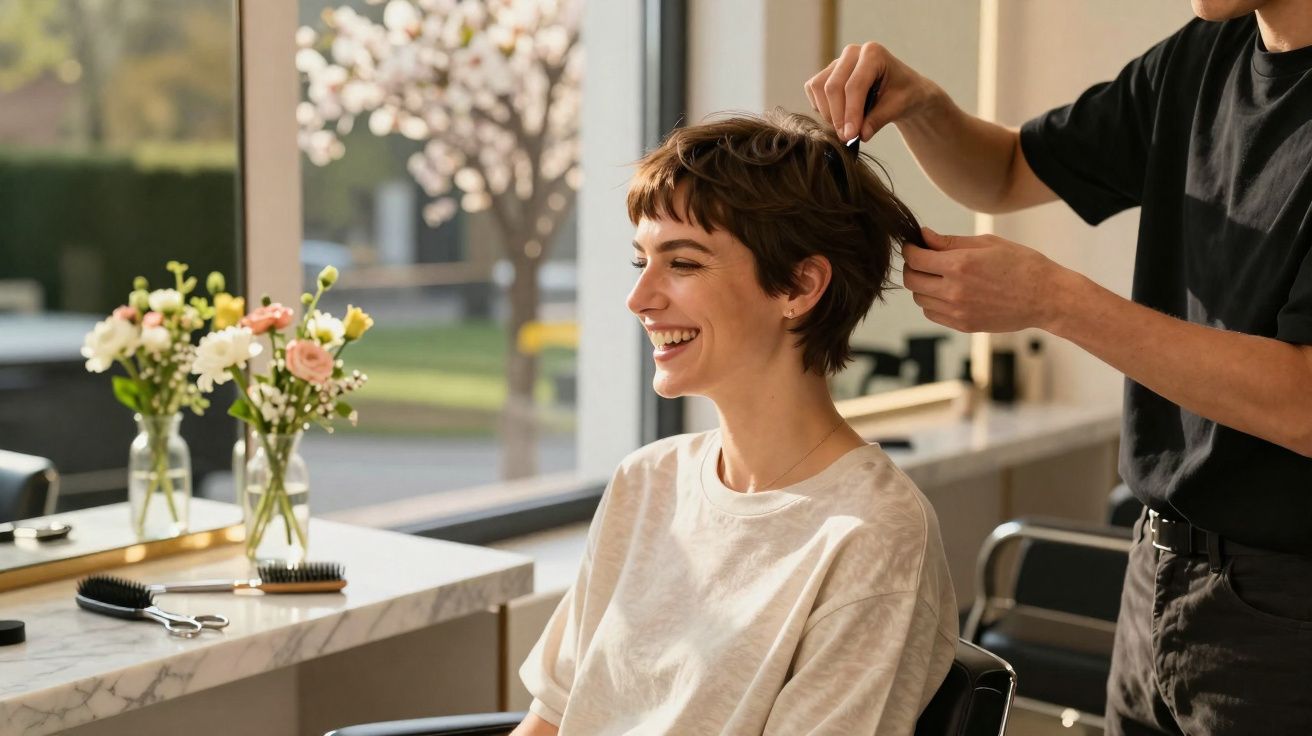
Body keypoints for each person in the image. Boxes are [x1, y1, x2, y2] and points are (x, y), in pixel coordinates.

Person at [806, 2, 1312, 734]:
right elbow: (1007, 171)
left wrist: (1054, 300)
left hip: (1287, 609)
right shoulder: (1202, 56)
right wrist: (924, 108)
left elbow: (1304, 404)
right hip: (1154, 571)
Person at [512, 110, 958, 735]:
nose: (639, 299)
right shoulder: (647, 481)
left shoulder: (873, 536)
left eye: (683, 263)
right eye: (642, 262)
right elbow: (552, 720)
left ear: (799, 286)